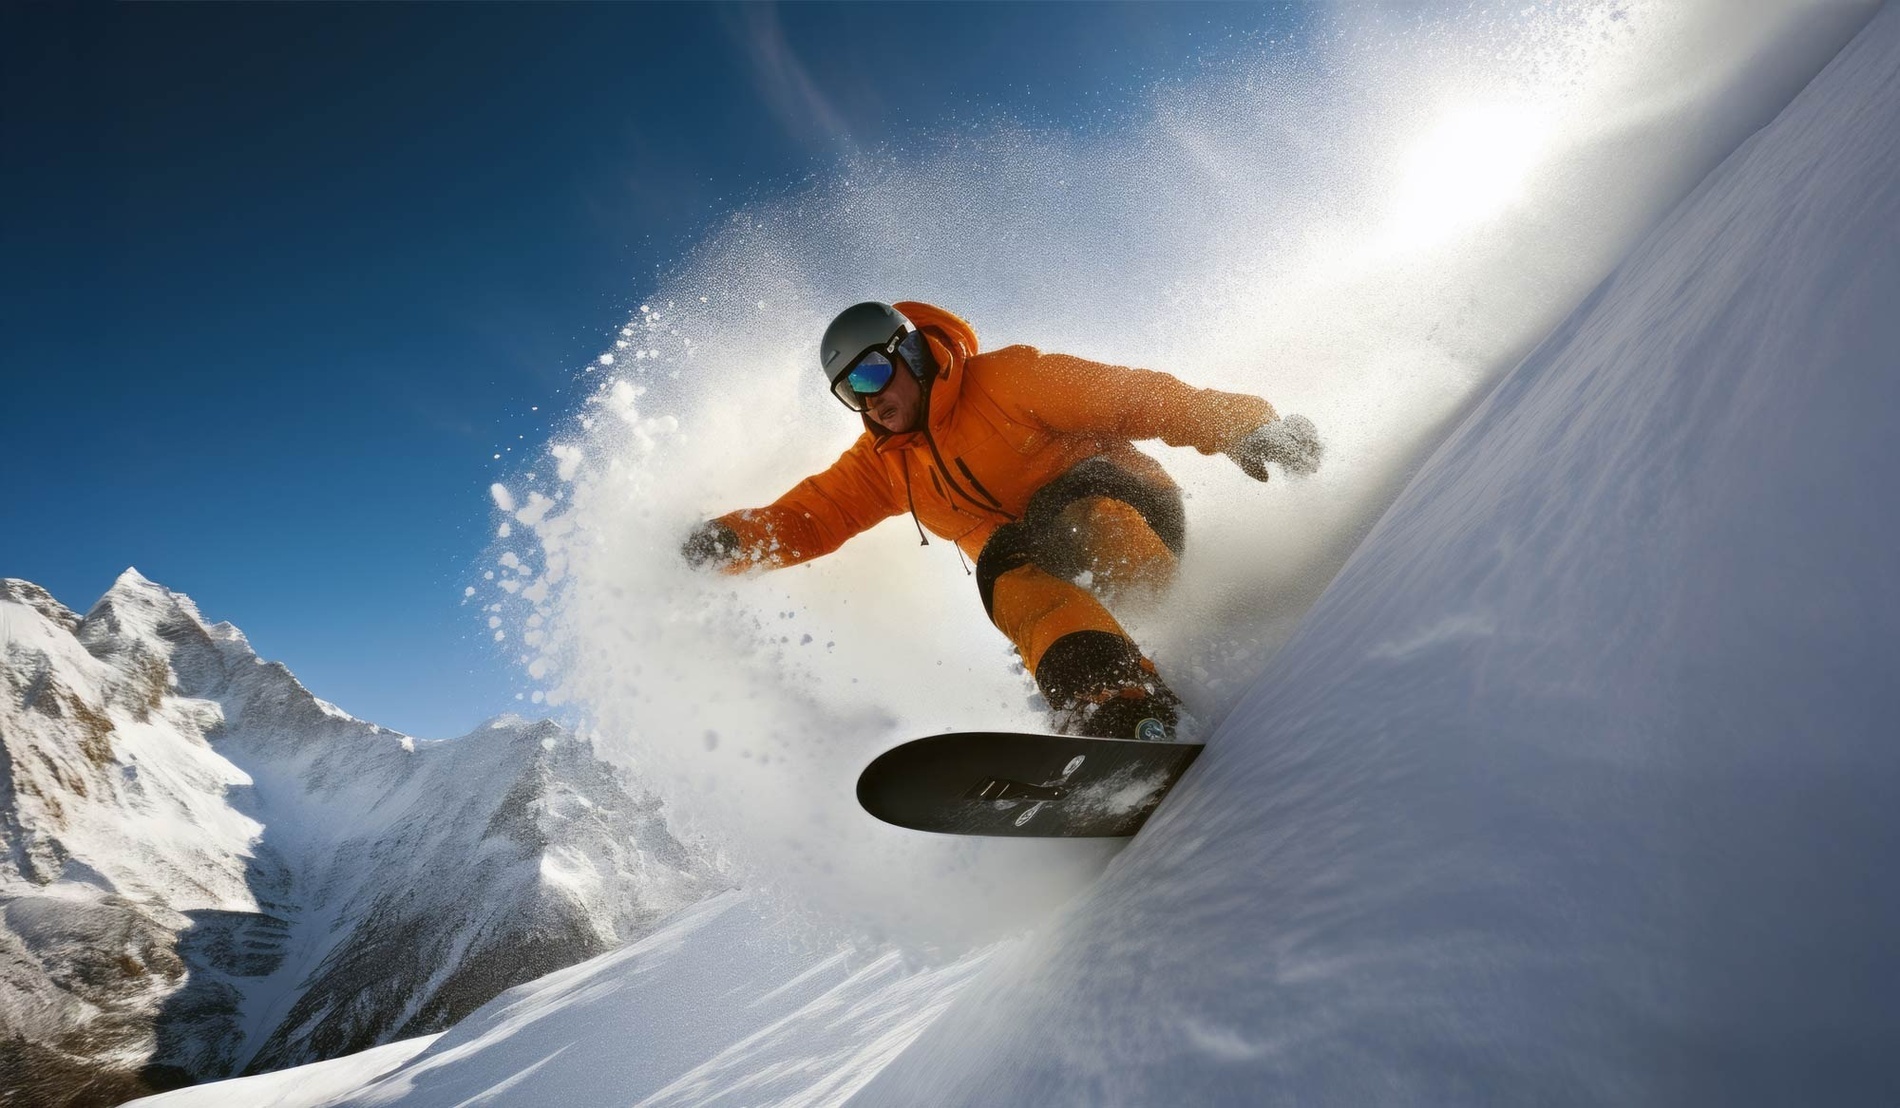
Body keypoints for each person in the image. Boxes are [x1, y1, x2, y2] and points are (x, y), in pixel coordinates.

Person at [681, 301, 1321, 741]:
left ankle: (1124, 680)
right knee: (1003, 569)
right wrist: (728, 543)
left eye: (874, 371)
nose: (870, 399)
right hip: (1052, 570)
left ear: (911, 351)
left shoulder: (1007, 379)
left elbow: (1135, 399)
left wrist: (1244, 426)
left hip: (1127, 509)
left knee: (1059, 518)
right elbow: (809, 518)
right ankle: (1111, 708)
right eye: (851, 392)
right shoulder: (883, 463)